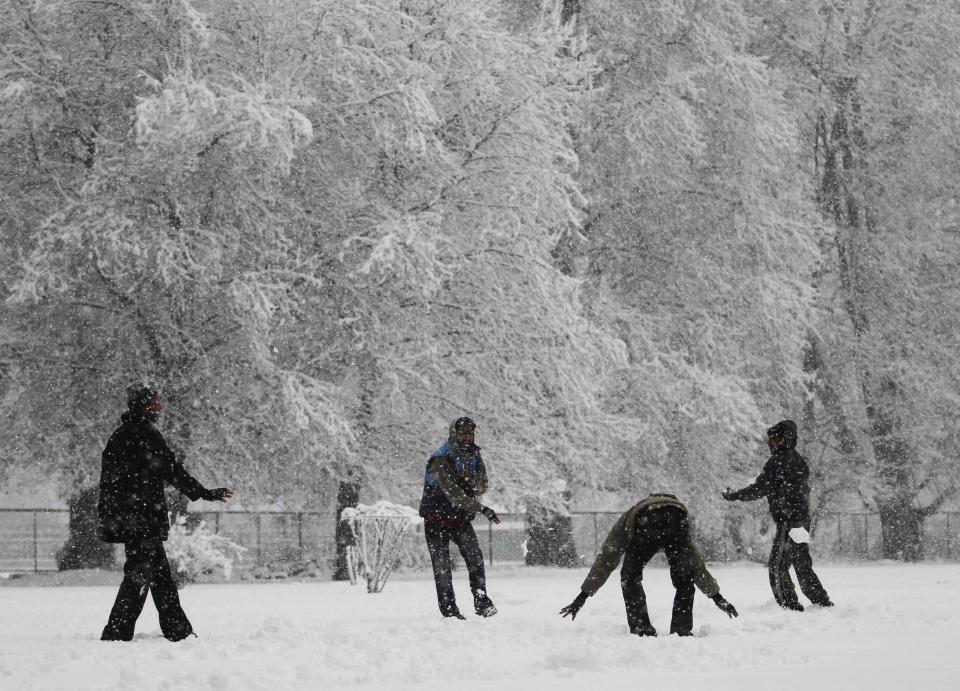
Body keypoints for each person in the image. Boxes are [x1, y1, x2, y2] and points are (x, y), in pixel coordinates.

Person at [97, 385, 235, 641]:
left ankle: (177, 630)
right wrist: (203, 492)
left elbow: (114, 483)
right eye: (156, 402)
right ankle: (117, 631)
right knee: (139, 576)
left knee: (160, 577)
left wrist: (115, 516)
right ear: (145, 405)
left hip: (133, 518)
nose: (160, 407)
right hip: (142, 519)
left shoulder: (123, 434)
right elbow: (169, 468)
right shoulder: (143, 434)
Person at [559, 493, 738, 637]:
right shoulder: (676, 516)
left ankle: (641, 629)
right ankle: (681, 630)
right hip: (676, 520)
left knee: (629, 577)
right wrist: (717, 598)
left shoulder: (632, 514)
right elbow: (696, 565)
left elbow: (607, 558)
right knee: (686, 578)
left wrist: (581, 597)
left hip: (645, 523)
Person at [722, 419, 833, 611]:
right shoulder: (797, 460)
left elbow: (760, 488)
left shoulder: (779, 461)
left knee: (777, 565)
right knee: (801, 565)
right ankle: (821, 601)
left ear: (785, 439)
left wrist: (736, 495)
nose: (770, 443)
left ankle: (789, 606)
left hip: (789, 523)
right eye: (770, 439)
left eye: (774, 439)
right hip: (802, 521)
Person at [419, 416, 501, 619]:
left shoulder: (474, 455)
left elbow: (482, 485)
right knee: (442, 567)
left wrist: (469, 479)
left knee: (475, 558)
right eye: (462, 433)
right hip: (435, 519)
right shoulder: (440, 458)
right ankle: (449, 610)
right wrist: (482, 509)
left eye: (470, 433)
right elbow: (454, 494)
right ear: (454, 434)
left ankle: (482, 601)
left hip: (459, 519)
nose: (467, 437)